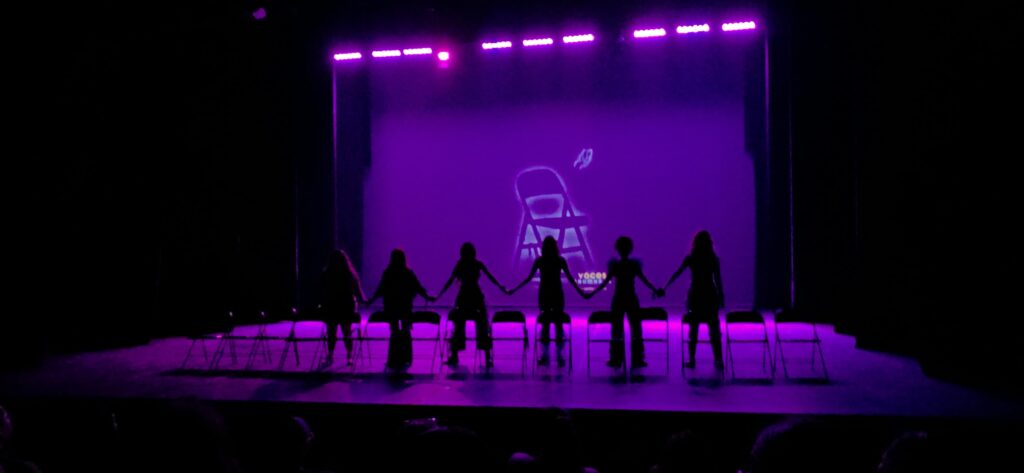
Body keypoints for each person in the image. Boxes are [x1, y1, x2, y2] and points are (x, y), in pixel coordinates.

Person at [585, 236, 660, 368]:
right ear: (630, 249)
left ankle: (616, 358)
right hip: (631, 298)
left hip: (619, 298)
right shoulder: (633, 265)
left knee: (616, 328)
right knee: (636, 328)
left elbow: (605, 282)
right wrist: (655, 289)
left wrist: (592, 293)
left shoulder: (615, 265)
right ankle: (637, 358)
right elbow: (644, 280)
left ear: (617, 249)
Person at [509, 237, 585, 367]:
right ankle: (560, 356)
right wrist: (581, 291)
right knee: (558, 324)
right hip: (557, 294)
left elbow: (528, 278)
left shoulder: (540, 261)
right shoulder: (560, 260)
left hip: (544, 294)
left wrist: (514, 289)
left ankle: (545, 355)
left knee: (545, 324)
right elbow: (570, 278)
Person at [660, 230, 725, 369]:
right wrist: (721, 297)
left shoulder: (691, 258)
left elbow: (676, 274)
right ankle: (718, 359)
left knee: (693, 328)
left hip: (695, 295)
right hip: (710, 294)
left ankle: (692, 359)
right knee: (714, 328)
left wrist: (665, 287)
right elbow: (718, 280)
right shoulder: (713, 259)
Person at [437, 242, 507, 367]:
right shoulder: (476, 264)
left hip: (464, 297)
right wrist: (501, 287)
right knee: (482, 325)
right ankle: (487, 357)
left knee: (459, 324)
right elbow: (491, 277)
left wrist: (438, 295)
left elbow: (450, 281)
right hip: (475, 297)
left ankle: (455, 355)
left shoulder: (461, 264)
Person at [367, 249, 435, 371]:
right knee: (405, 330)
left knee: (394, 330)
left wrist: (371, 300)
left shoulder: (388, 272)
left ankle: (393, 358)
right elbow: (418, 287)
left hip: (391, 308)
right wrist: (428, 297)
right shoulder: (408, 273)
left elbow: (380, 290)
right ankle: (406, 357)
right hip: (405, 308)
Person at [321, 250, 366, 366]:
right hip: (346, 307)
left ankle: (330, 355)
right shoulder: (350, 274)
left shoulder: (327, 274)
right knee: (347, 332)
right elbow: (358, 292)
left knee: (331, 332)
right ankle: (349, 356)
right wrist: (365, 301)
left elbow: (322, 292)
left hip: (331, 307)